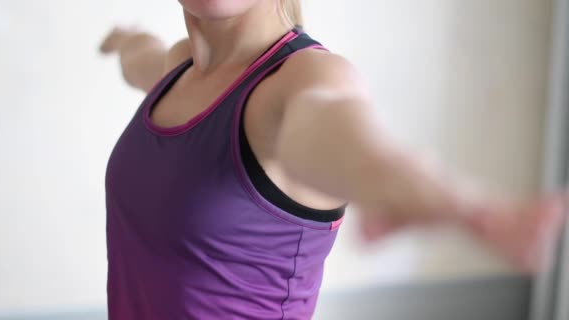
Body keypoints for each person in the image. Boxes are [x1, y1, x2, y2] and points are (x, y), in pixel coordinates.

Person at [99, 0, 566, 319]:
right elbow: (141, 56)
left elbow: (339, 134)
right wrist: (123, 38)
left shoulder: (301, 78)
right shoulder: (179, 69)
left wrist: (451, 203)